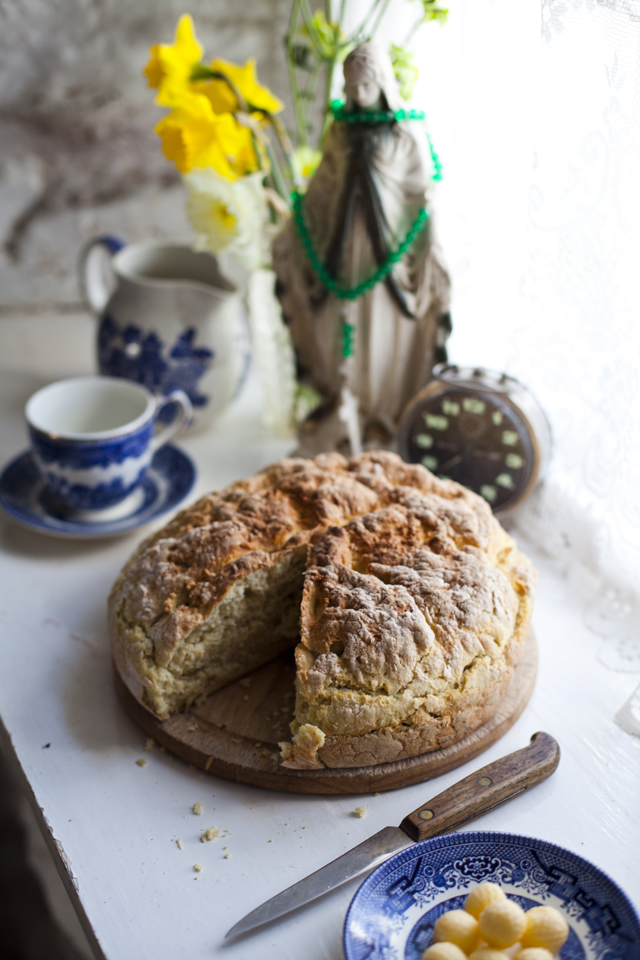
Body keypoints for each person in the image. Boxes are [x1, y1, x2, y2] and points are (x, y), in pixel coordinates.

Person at [273, 42, 452, 455]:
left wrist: (429, 235)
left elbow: (420, 191)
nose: (360, 92)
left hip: (387, 255)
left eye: (367, 83)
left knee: (383, 332)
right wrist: (295, 224)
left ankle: (380, 416)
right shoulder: (339, 129)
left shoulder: (405, 134)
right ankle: (343, 405)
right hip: (341, 249)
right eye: (352, 85)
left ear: (383, 83)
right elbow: (324, 184)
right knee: (338, 326)